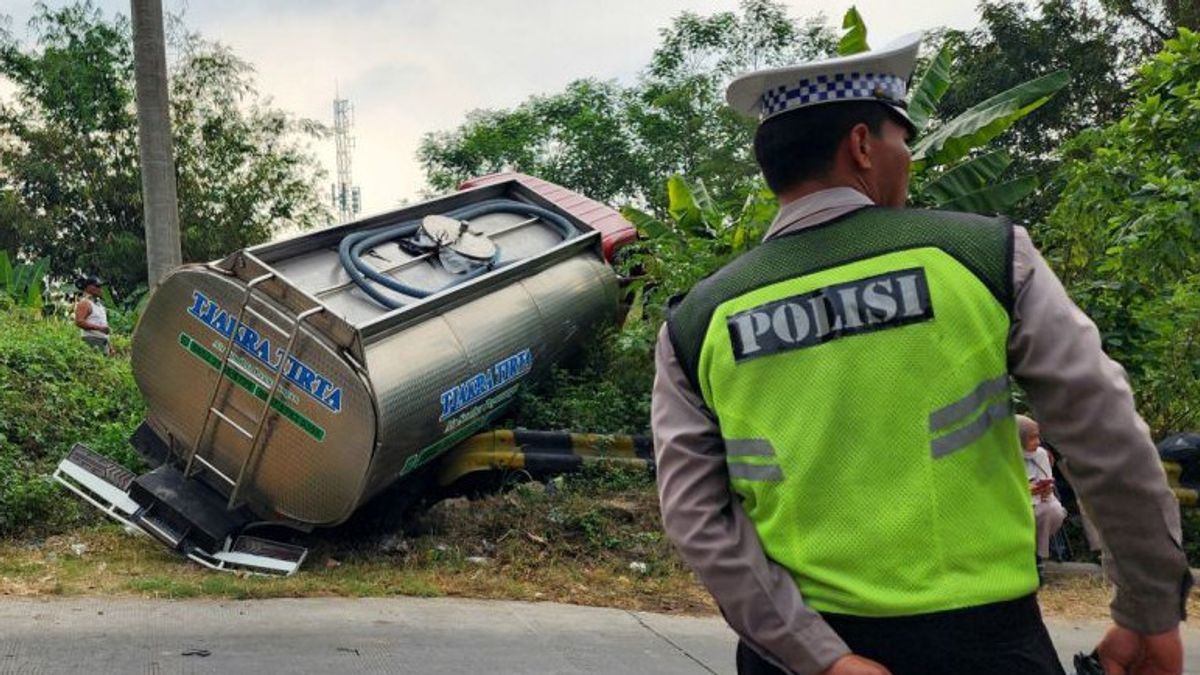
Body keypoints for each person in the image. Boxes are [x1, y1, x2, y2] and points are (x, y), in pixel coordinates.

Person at [651, 34, 1190, 675]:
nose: (906, 156)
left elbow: (695, 515)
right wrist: (1148, 610)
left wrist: (819, 658)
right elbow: (1104, 433)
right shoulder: (985, 256)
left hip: (796, 654)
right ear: (860, 146)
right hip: (985, 646)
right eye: (901, 139)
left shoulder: (697, 321)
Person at [1017, 415, 1068, 573]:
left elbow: (1047, 482)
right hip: (1012, 507)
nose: (1038, 442)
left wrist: (1045, 490)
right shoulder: (1004, 456)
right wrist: (1025, 491)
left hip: (1037, 502)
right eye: (1032, 438)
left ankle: (1037, 555)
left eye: (1038, 436)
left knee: (1054, 510)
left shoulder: (1040, 454)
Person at [74, 274, 110, 354]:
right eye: (98, 286)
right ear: (90, 287)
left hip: (103, 341)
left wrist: (110, 345)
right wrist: (99, 328)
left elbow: (103, 325)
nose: (100, 289)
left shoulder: (99, 305)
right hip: (91, 340)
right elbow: (79, 321)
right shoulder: (85, 303)